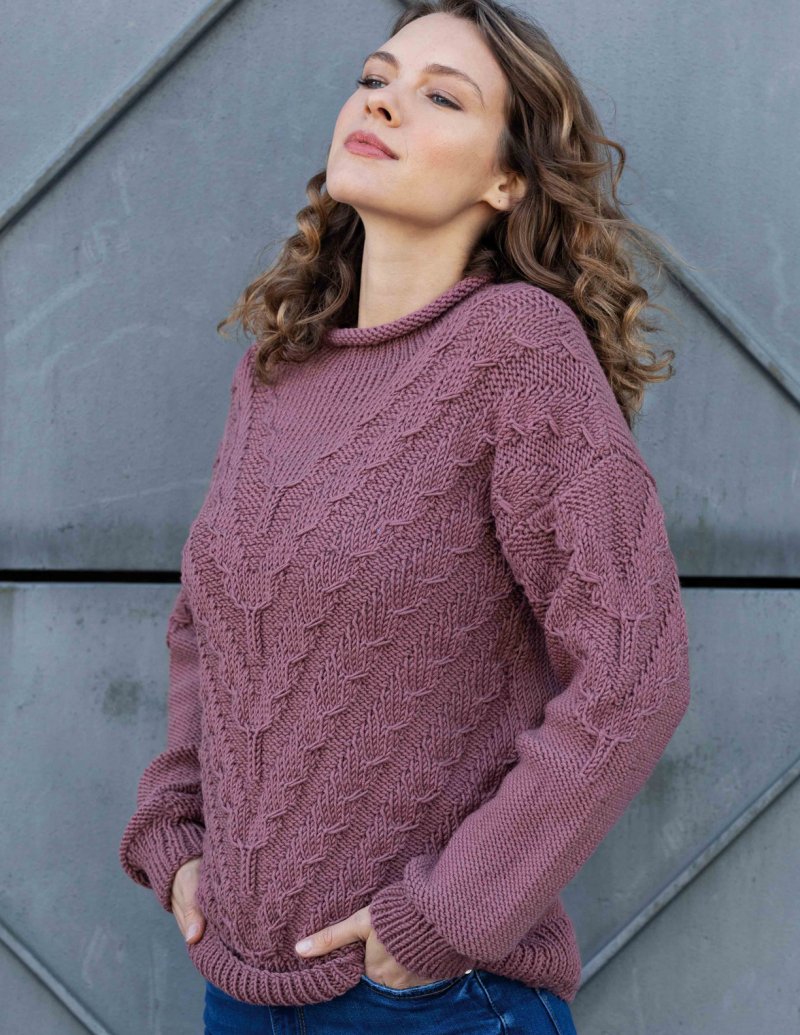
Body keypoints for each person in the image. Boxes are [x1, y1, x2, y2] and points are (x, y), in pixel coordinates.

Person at [119, 2, 692, 1032]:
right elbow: (206, 624)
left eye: (441, 96)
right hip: (238, 991)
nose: (382, 101)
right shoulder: (275, 375)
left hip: (432, 999)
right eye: (376, 77)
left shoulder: (517, 348)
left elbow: (633, 670)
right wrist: (175, 829)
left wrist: (445, 918)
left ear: (504, 179)